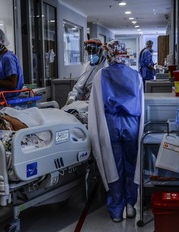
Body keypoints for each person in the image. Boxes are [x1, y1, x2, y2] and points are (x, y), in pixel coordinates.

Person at [88, 40, 144, 223]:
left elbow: (95, 105)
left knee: (114, 165)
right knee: (131, 164)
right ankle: (130, 205)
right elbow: (142, 105)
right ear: (124, 54)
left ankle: (116, 210)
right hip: (132, 125)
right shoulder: (136, 76)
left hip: (110, 125)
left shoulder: (100, 76)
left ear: (109, 54)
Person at [66, 38, 107, 105]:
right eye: (89, 52)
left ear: (100, 51)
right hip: (88, 103)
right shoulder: (87, 66)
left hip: (102, 103)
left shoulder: (106, 66)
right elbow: (79, 87)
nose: (91, 55)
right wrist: (72, 97)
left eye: (93, 52)